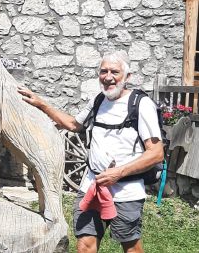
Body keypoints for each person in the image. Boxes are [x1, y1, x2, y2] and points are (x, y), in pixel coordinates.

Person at [18, 50, 163, 253]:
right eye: (103, 71)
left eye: (114, 71)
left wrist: (118, 173)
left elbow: (156, 153)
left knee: (131, 248)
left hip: (126, 191)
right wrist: (42, 104)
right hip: (92, 186)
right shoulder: (98, 100)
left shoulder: (141, 104)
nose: (108, 77)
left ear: (127, 77)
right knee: (85, 245)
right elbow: (73, 124)